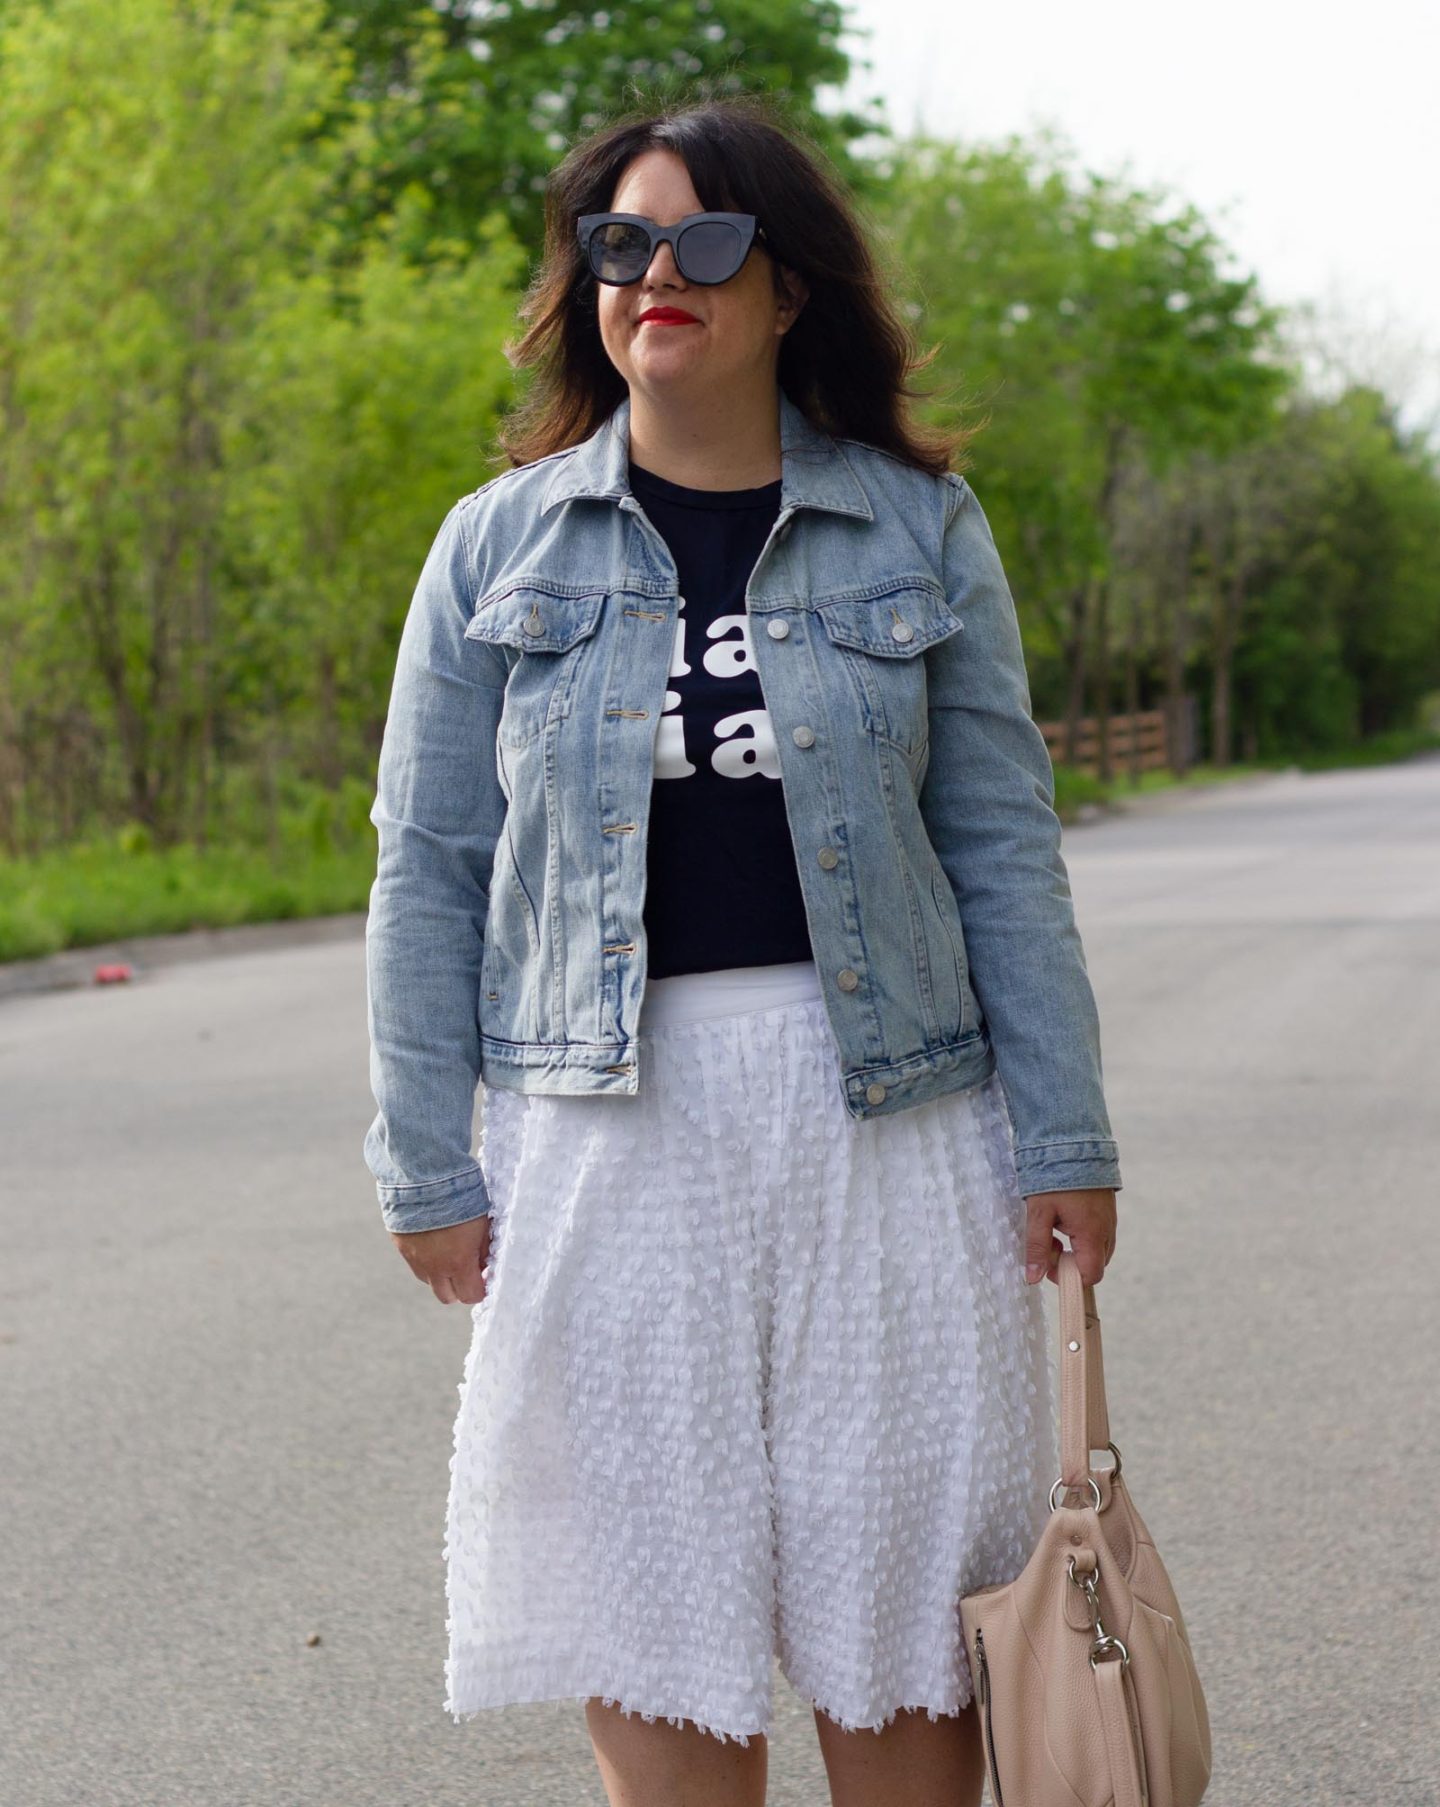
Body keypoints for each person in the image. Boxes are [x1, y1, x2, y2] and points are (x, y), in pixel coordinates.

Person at [363, 91, 1121, 1807]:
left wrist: (1065, 1138)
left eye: (705, 243)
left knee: (901, 1591)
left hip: (897, 1118)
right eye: (619, 245)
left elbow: (1001, 841)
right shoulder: (498, 545)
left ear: (788, 289)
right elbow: (428, 868)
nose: (656, 277)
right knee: (652, 1588)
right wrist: (424, 1156)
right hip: (604, 1129)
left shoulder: (918, 527)